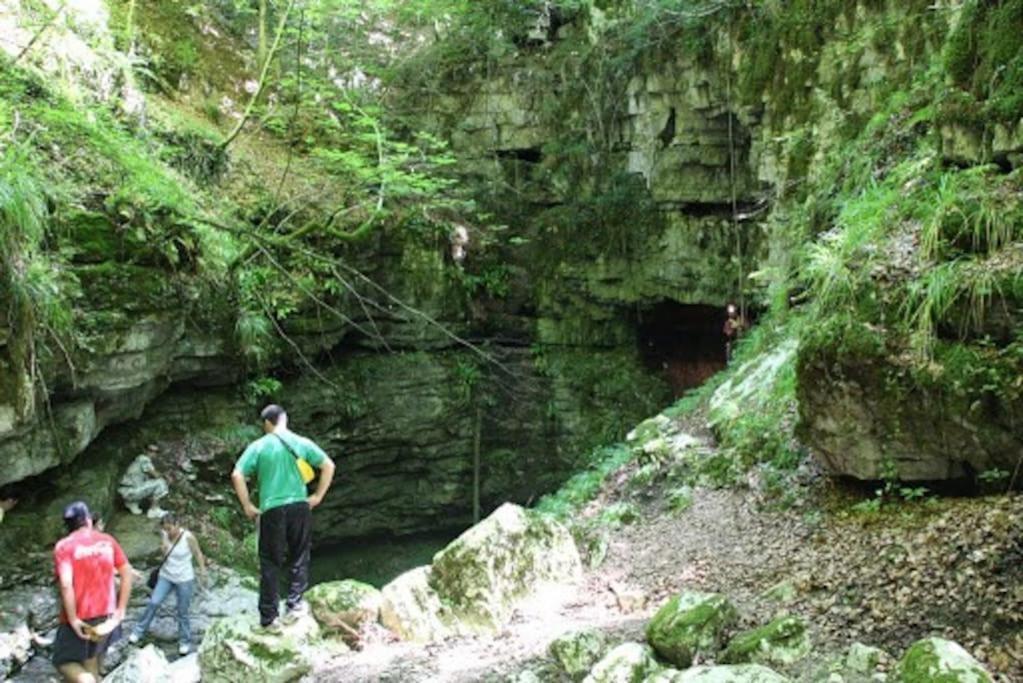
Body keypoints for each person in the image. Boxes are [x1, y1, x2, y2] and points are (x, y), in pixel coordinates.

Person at [231, 404, 336, 632]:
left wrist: (248, 505)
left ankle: (269, 618)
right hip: (299, 505)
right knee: (300, 554)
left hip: (272, 509)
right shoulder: (301, 442)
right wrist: (317, 496)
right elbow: (328, 465)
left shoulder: (258, 446)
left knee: (270, 561)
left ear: (267, 423)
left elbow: (237, 474)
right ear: (284, 419)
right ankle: (295, 606)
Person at [52, 501, 132, 683]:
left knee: (62, 661)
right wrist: (121, 610)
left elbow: (66, 584)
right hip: (106, 614)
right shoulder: (107, 540)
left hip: (81, 615)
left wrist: (72, 619)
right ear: (88, 520)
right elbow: (127, 572)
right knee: (90, 658)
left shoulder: (64, 546)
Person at [128, 512, 208, 654]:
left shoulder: (188, 537)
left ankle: (184, 641)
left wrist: (202, 571)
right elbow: (165, 553)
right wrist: (165, 538)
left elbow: (197, 553)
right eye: (165, 528)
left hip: (184, 578)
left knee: (182, 611)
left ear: (177, 525)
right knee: (154, 602)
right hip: (166, 576)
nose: (168, 531)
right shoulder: (165, 536)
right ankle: (138, 631)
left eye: (170, 528)